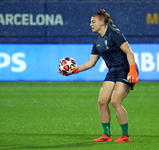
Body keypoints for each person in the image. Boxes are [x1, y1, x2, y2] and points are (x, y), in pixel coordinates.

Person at [60, 9, 139, 143]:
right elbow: (91, 63)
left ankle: (125, 136)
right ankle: (106, 135)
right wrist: (74, 71)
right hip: (113, 71)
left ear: (102, 22)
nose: (90, 24)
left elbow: (129, 52)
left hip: (125, 69)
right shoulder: (97, 42)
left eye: (93, 22)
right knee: (102, 102)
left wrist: (132, 71)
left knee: (115, 101)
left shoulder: (114, 34)